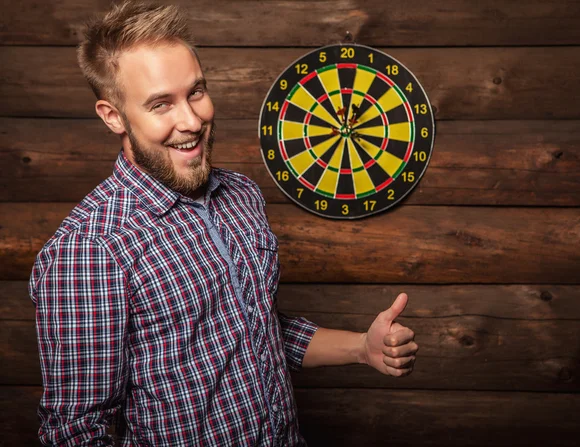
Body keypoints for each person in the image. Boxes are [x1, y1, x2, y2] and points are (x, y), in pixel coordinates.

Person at [29, 1, 418, 445]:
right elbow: (75, 432)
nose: (192, 121)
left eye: (195, 92)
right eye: (161, 104)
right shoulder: (90, 249)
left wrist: (361, 348)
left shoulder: (241, 196)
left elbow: (253, 328)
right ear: (113, 116)